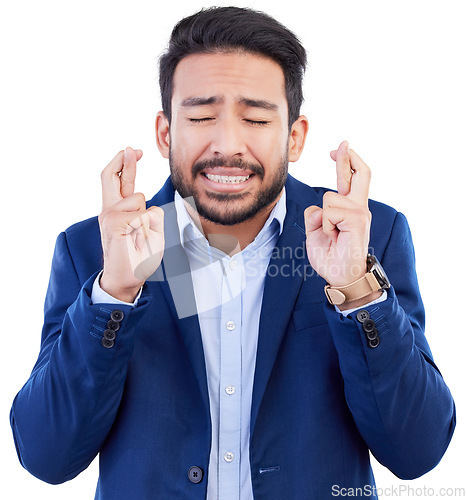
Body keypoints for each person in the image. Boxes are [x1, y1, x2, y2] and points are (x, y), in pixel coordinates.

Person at [10, 6, 455, 500]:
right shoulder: (93, 250)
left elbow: (418, 452)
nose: (227, 144)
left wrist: (354, 289)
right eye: (201, 116)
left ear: (294, 136)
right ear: (165, 133)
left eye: (256, 118)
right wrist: (115, 292)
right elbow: (47, 457)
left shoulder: (368, 236)